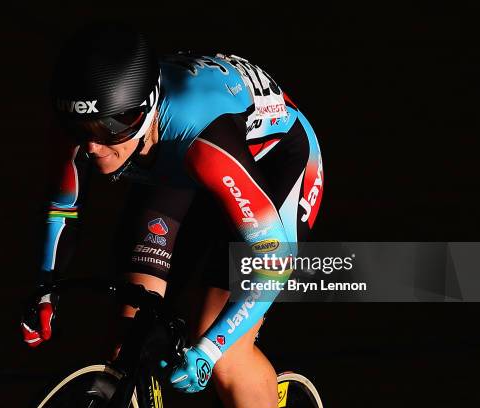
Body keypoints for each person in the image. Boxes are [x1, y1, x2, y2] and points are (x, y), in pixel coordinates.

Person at [21, 24, 324, 407]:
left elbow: (275, 260)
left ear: (141, 113)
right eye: (81, 130)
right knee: (129, 338)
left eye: (108, 129)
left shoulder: (204, 144)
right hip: (173, 164)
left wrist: (211, 350)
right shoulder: (88, 124)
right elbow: (61, 208)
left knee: (226, 357)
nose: (93, 147)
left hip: (273, 166)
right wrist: (45, 288)